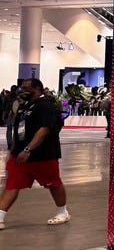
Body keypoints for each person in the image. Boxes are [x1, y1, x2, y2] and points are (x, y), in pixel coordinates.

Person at [0, 78, 70, 229]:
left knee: (53, 184)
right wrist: (12, 151)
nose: (22, 90)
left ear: (37, 89)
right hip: (19, 156)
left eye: (27, 88)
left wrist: (28, 149)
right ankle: (0, 216)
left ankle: (62, 212)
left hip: (42, 155)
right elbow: (18, 129)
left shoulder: (45, 106)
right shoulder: (23, 106)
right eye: (21, 87)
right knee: (11, 185)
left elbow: (44, 130)